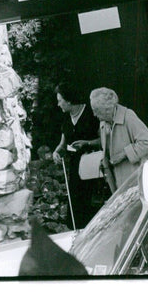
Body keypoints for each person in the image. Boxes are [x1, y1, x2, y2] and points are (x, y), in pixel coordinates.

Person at [51, 83, 103, 229]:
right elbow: (62, 144)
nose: (58, 104)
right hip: (75, 168)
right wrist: (56, 152)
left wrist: (87, 143)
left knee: (91, 203)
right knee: (76, 205)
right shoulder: (66, 118)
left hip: (93, 167)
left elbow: (104, 140)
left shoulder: (90, 114)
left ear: (68, 100)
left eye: (60, 100)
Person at [89, 87, 148, 193]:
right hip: (118, 180)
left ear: (107, 108)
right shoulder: (103, 123)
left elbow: (146, 141)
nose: (94, 114)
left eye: (96, 110)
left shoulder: (128, 116)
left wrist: (124, 154)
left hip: (138, 178)